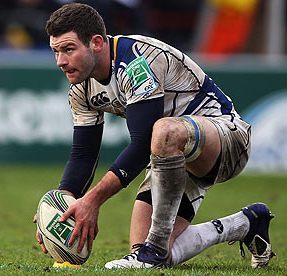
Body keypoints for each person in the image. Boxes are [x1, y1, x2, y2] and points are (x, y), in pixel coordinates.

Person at [33, 3, 275, 269]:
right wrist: (60, 206)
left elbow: (140, 144)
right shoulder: (81, 87)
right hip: (172, 158)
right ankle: (246, 223)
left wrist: (92, 201)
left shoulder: (136, 60)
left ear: (97, 42)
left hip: (227, 139)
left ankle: (155, 250)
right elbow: (83, 154)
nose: (60, 61)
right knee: (143, 251)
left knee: (163, 130)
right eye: (55, 51)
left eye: (68, 49)